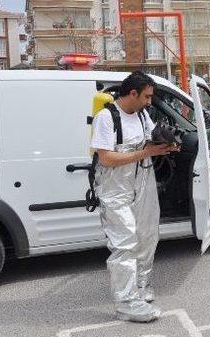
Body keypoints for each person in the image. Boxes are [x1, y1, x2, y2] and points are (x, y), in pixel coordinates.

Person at [90, 71, 180, 323]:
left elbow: (152, 138)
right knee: (125, 243)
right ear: (133, 93)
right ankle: (126, 302)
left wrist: (167, 144)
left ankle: (141, 286)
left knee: (148, 234)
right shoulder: (107, 118)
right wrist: (147, 152)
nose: (150, 102)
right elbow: (106, 158)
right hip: (115, 187)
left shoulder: (141, 115)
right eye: (147, 97)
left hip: (142, 181)